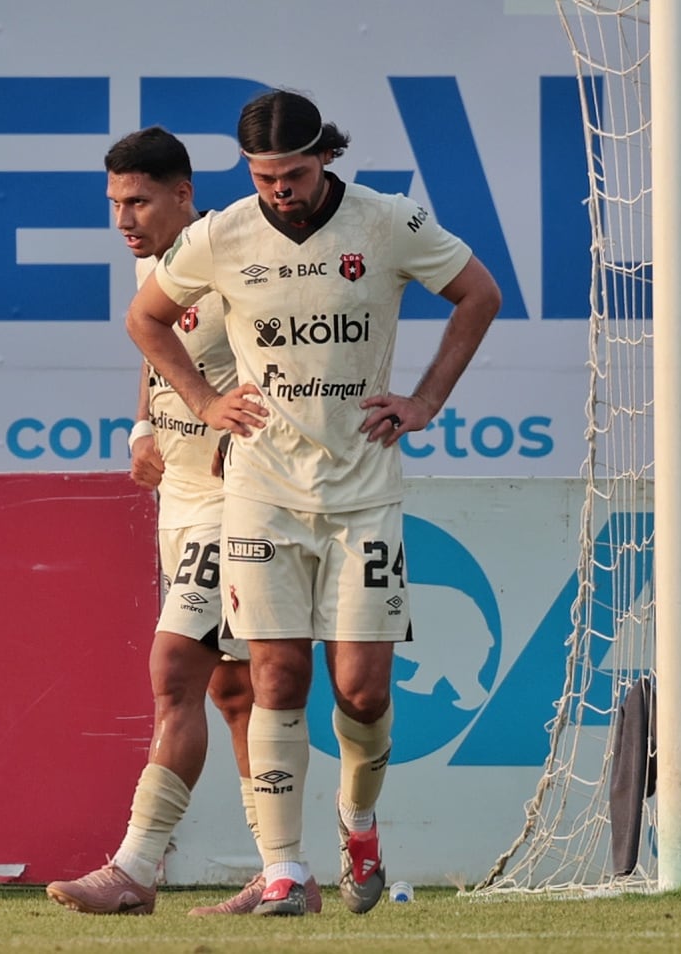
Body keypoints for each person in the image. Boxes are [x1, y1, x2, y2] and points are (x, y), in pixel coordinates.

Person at [126, 90, 502, 917]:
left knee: (362, 691)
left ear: (325, 157)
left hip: (363, 491)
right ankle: (288, 869)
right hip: (260, 491)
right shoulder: (223, 233)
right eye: (264, 177)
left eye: (293, 174)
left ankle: (358, 825)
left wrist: (426, 401)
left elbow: (479, 294)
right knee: (275, 673)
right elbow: (147, 317)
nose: (279, 191)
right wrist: (200, 399)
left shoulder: (387, 222)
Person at [45, 126, 322, 917]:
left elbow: (300, 352)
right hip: (184, 496)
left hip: (236, 499)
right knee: (232, 689)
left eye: (138, 201)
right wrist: (142, 426)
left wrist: (262, 439)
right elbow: (154, 343)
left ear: (183, 195)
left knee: (174, 669)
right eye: (114, 203)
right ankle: (283, 872)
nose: (124, 218)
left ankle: (135, 866)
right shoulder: (155, 263)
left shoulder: (232, 251)